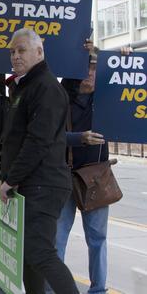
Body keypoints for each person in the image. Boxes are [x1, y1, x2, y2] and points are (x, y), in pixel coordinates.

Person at [0, 28, 78, 294]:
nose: (15, 56)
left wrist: (11, 179)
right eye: (12, 52)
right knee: (29, 257)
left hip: (42, 186)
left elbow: (38, 141)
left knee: (40, 252)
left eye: (21, 50)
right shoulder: (25, 87)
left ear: (39, 51)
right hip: (30, 186)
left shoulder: (46, 87)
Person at [50, 43, 132, 294]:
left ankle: (98, 290)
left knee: (97, 239)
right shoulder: (62, 96)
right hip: (65, 174)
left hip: (96, 177)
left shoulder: (107, 96)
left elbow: (132, 80)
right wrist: (79, 138)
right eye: (87, 68)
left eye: (96, 68)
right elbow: (50, 136)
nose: (91, 74)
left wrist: (122, 57)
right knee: (56, 241)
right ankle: (53, 289)